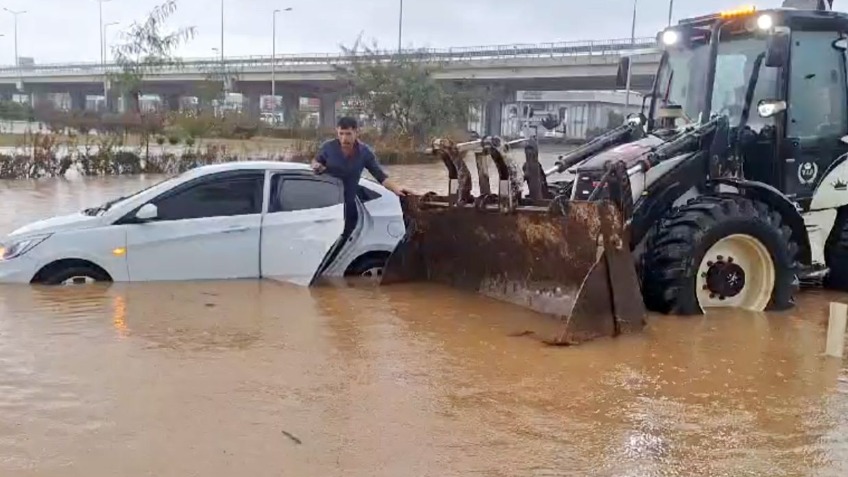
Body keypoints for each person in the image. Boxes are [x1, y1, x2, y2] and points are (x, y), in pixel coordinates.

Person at [311, 116, 413, 235]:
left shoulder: (364, 152)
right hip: (327, 206)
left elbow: (380, 176)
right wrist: (316, 166)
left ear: (356, 132)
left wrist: (396, 188)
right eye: (341, 134)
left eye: (348, 134)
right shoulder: (328, 147)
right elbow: (315, 162)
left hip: (349, 206)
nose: (344, 138)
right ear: (337, 132)